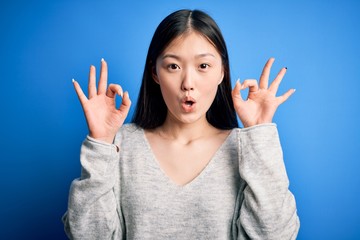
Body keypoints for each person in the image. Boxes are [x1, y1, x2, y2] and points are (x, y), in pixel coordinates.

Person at [62, 9, 300, 239]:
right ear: (155, 72)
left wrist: (259, 134)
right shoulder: (122, 145)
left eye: (203, 66)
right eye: (173, 66)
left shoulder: (243, 147)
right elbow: (87, 234)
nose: (188, 83)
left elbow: (276, 235)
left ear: (221, 73)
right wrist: (101, 143)